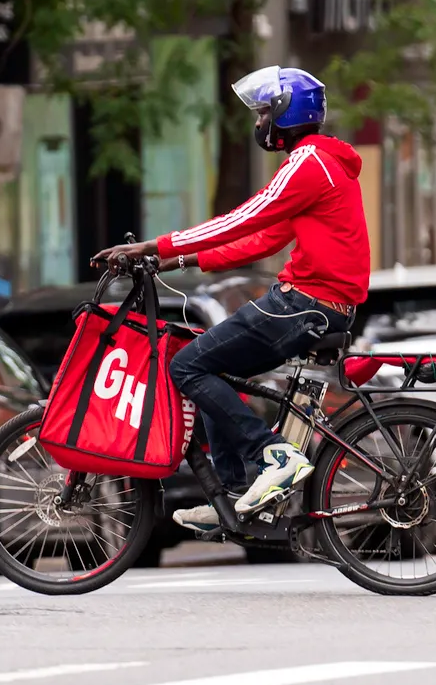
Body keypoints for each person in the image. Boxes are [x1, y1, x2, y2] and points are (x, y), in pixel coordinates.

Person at [94, 66, 369, 528]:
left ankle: (270, 457)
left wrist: (156, 245)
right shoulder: (322, 167)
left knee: (186, 365)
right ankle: (238, 495)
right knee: (211, 365)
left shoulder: (307, 165)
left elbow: (244, 219)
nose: (259, 121)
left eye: (264, 111)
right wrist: (177, 263)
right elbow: (261, 241)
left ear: (286, 113)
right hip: (321, 305)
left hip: (304, 303)